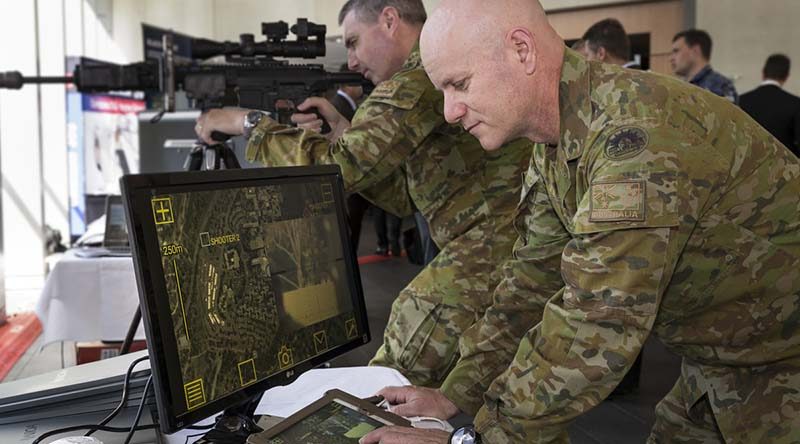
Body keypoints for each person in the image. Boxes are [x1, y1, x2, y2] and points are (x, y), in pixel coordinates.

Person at [361, 0, 800, 443]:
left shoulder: (633, 139)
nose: (450, 112)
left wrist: (477, 438)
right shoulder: (557, 143)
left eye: (460, 84)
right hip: (721, 359)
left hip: (781, 363)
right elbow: (530, 284)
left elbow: (598, 321)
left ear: (521, 50)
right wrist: (457, 392)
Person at [195, 0, 531, 388]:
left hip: (494, 240)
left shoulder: (416, 78)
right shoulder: (428, 75)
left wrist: (246, 122)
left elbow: (340, 169)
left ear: (389, 20)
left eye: (354, 42)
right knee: (506, 387)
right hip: (505, 236)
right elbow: (406, 197)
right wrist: (341, 131)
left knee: (396, 370)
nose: (351, 61)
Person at [740, 54, 800, 157]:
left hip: (747, 167)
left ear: (763, 72)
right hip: (782, 168)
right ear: (786, 76)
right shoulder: (795, 103)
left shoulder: (741, 100)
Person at [671, 29, 738, 103]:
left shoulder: (721, 86)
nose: (671, 58)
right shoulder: (679, 88)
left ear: (695, 51)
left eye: (676, 51)